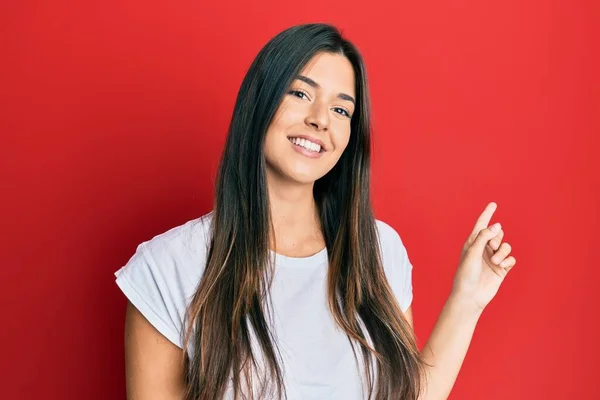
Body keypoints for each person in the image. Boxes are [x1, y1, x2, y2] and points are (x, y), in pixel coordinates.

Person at [114, 23, 517, 400]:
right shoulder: (166, 267)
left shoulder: (378, 250)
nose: (320, 119)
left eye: (342, 110)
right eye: (300, 93)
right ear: (260, 102)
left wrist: (468, 299)